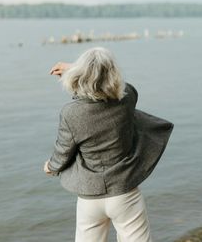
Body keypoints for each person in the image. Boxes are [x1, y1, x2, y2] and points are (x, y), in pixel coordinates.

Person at [43, 47, 173, 242]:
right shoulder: (127, 97)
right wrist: (85, 68)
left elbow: (63, 152)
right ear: (113, 73)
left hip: (89, 197)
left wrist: (50, 167)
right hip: (124, 193)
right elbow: (122, 86)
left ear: (81, 75)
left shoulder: (71, 113)